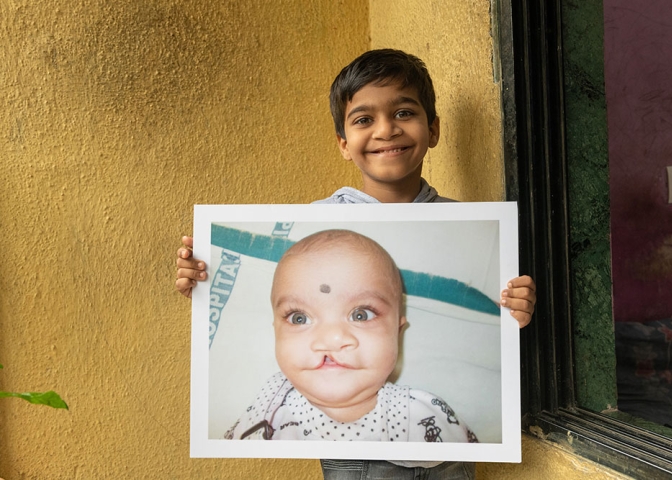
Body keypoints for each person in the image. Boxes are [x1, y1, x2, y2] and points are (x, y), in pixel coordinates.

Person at [176, 49, 536, 480]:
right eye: (364, 119)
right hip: (353, 463)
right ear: (344, 143)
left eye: (404, 112)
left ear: (434, 129)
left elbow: (497, 333)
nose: (386, 130)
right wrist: (201, 276)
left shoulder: (472, 234)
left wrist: (516, 308)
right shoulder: (316, 225)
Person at [225, 229, 479, 443]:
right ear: (275, 331)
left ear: (397, 332)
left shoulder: (424, 415)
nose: (332, 339)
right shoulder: (267, 406)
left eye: (361, 315)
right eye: (298, 318)